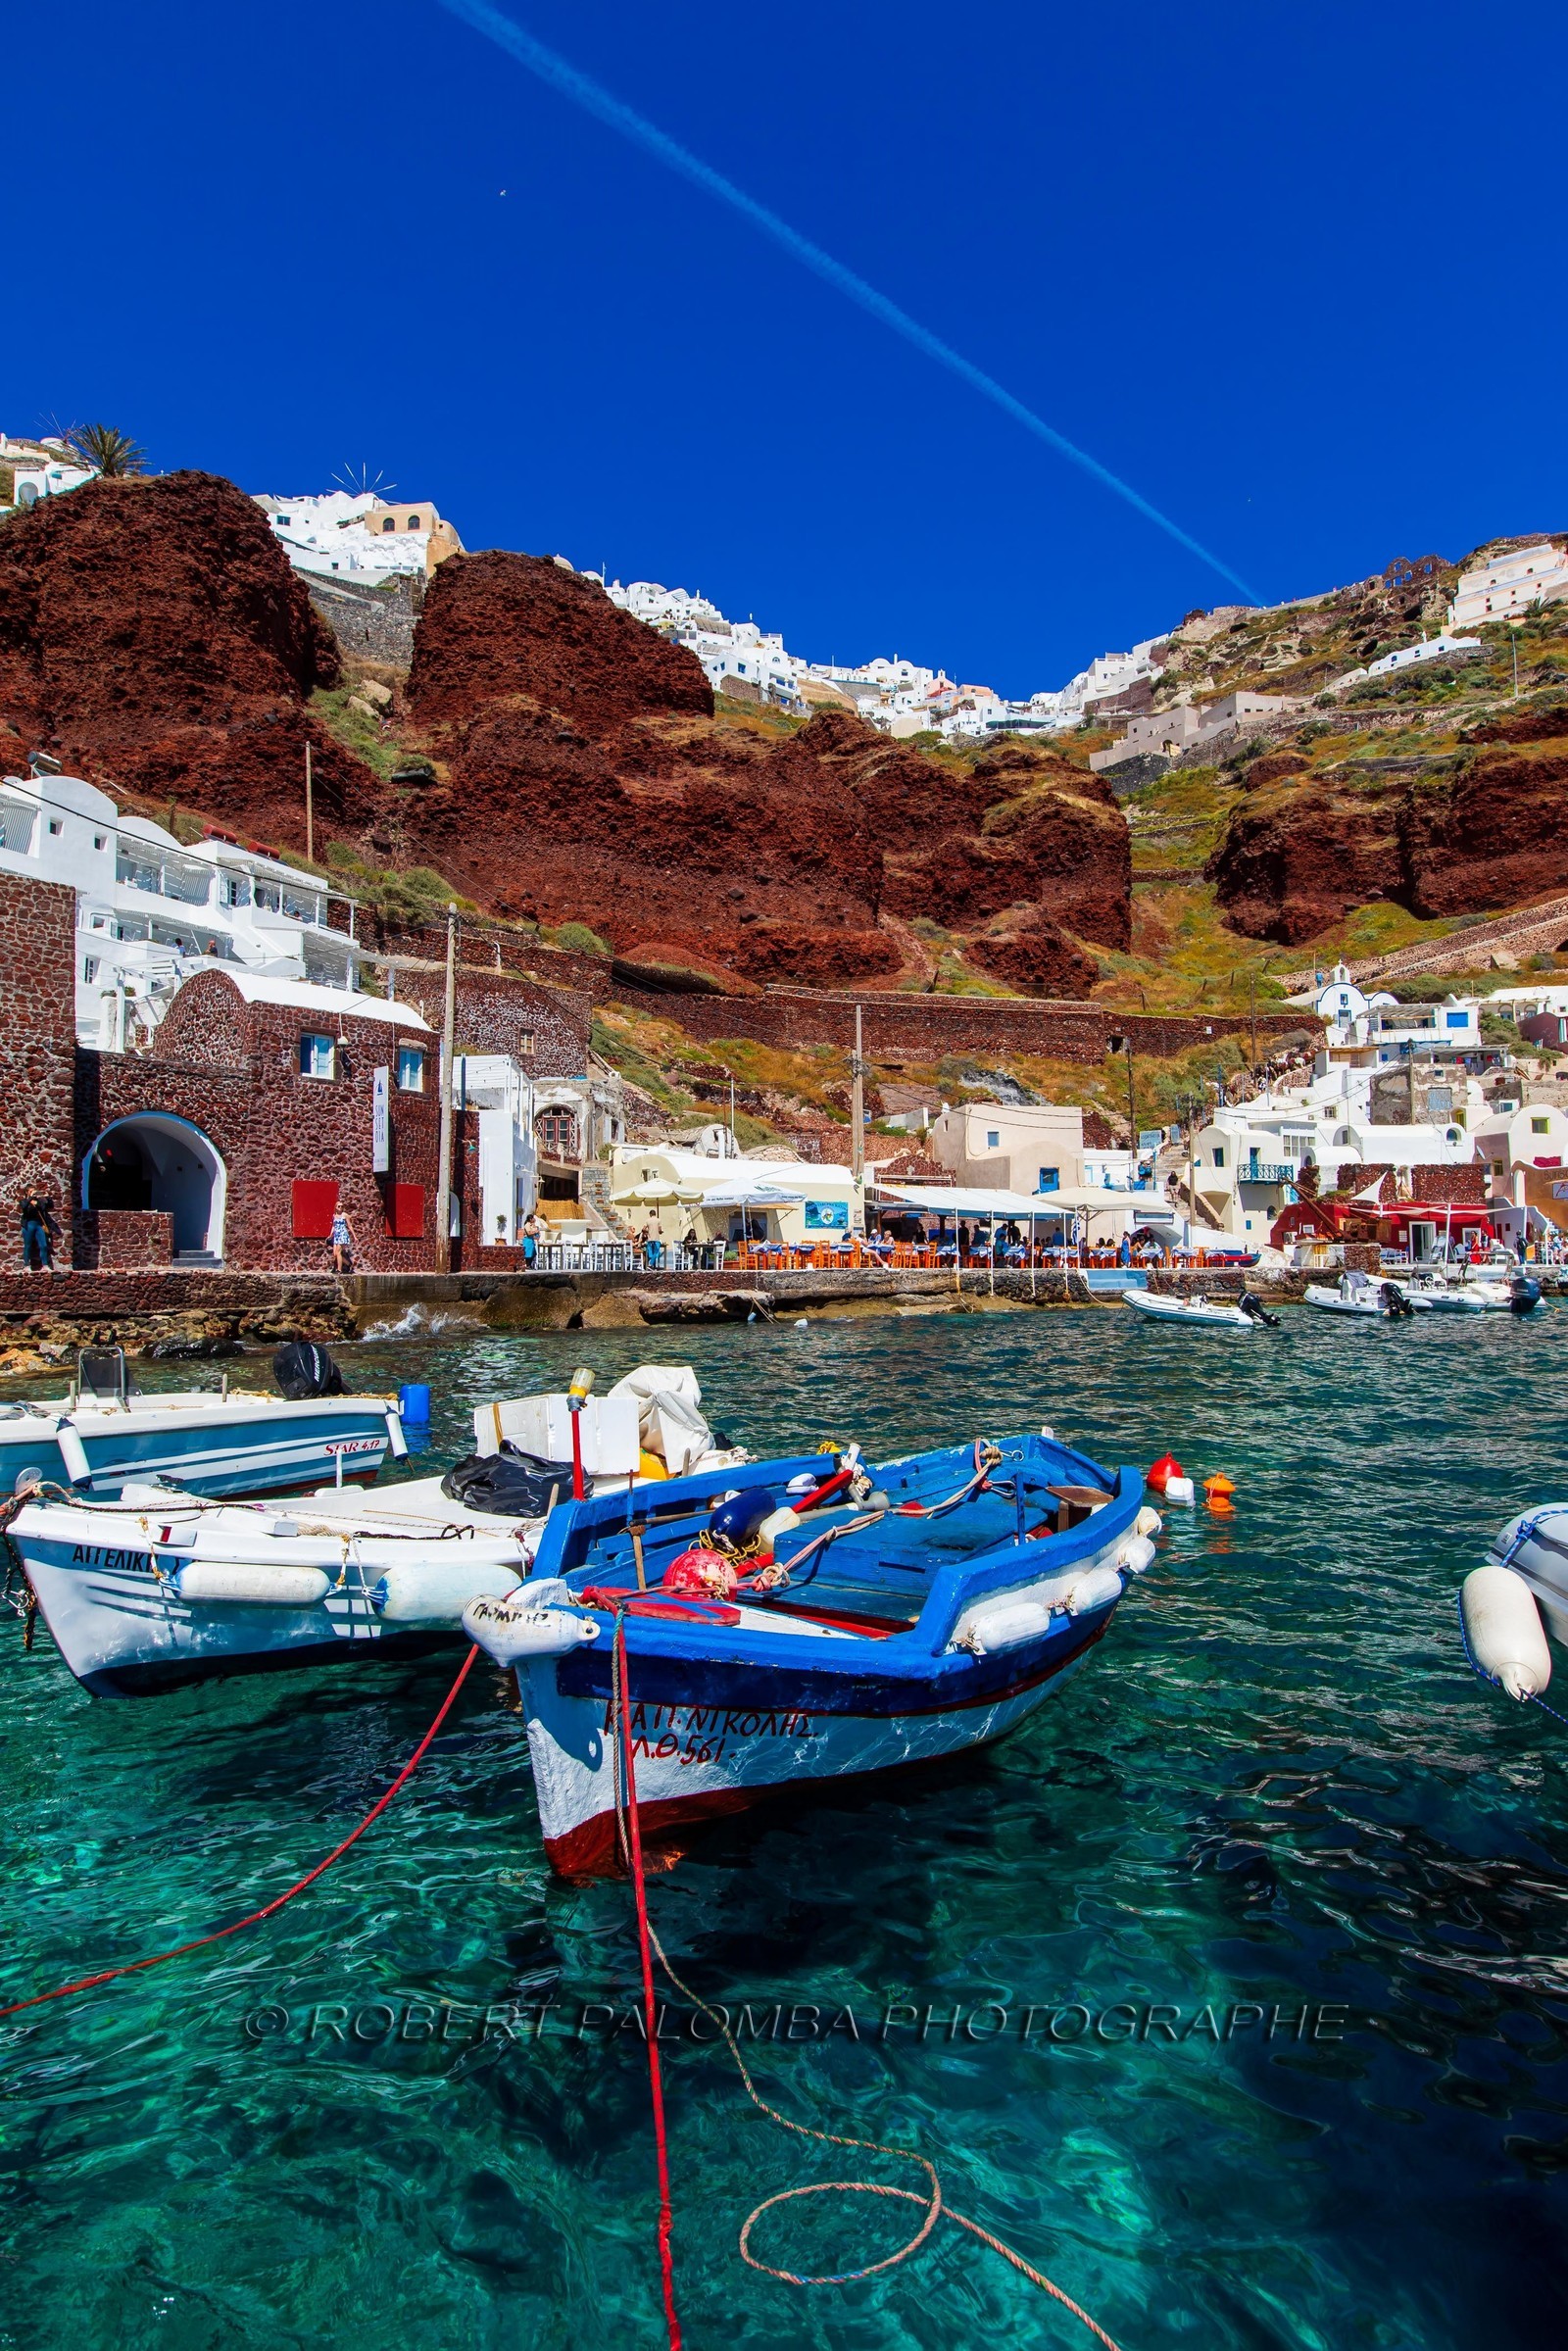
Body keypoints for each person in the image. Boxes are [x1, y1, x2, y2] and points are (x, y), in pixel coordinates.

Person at [20, 1188, 60, 1274]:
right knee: (28, 1245)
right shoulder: (24, 1201)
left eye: (34, 1190)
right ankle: (26, 1265)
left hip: (39, 1224)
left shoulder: (39, 1202)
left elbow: (49, 1206)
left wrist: (47, 1197)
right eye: (31, 1191)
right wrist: (30, 1197)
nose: (34, 1192)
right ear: (27, 1192)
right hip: (29, 1224)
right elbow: (24, 1207)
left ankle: (45, 1265)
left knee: (43, 1245)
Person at [329, 1202, 356, 1274]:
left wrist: (354, 1236)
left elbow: (350, 1226)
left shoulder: (344, 1215)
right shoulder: (334, 1216)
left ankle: (339, 1270)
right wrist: (331, 1234)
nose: (340, 1207)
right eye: (339, 1206)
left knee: (338, 1252)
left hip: (343, 1234)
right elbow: (333, 1226)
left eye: (342, 1206)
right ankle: (348, 1264)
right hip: (336, 1235)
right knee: (335, 1254)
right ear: (336, 1207)